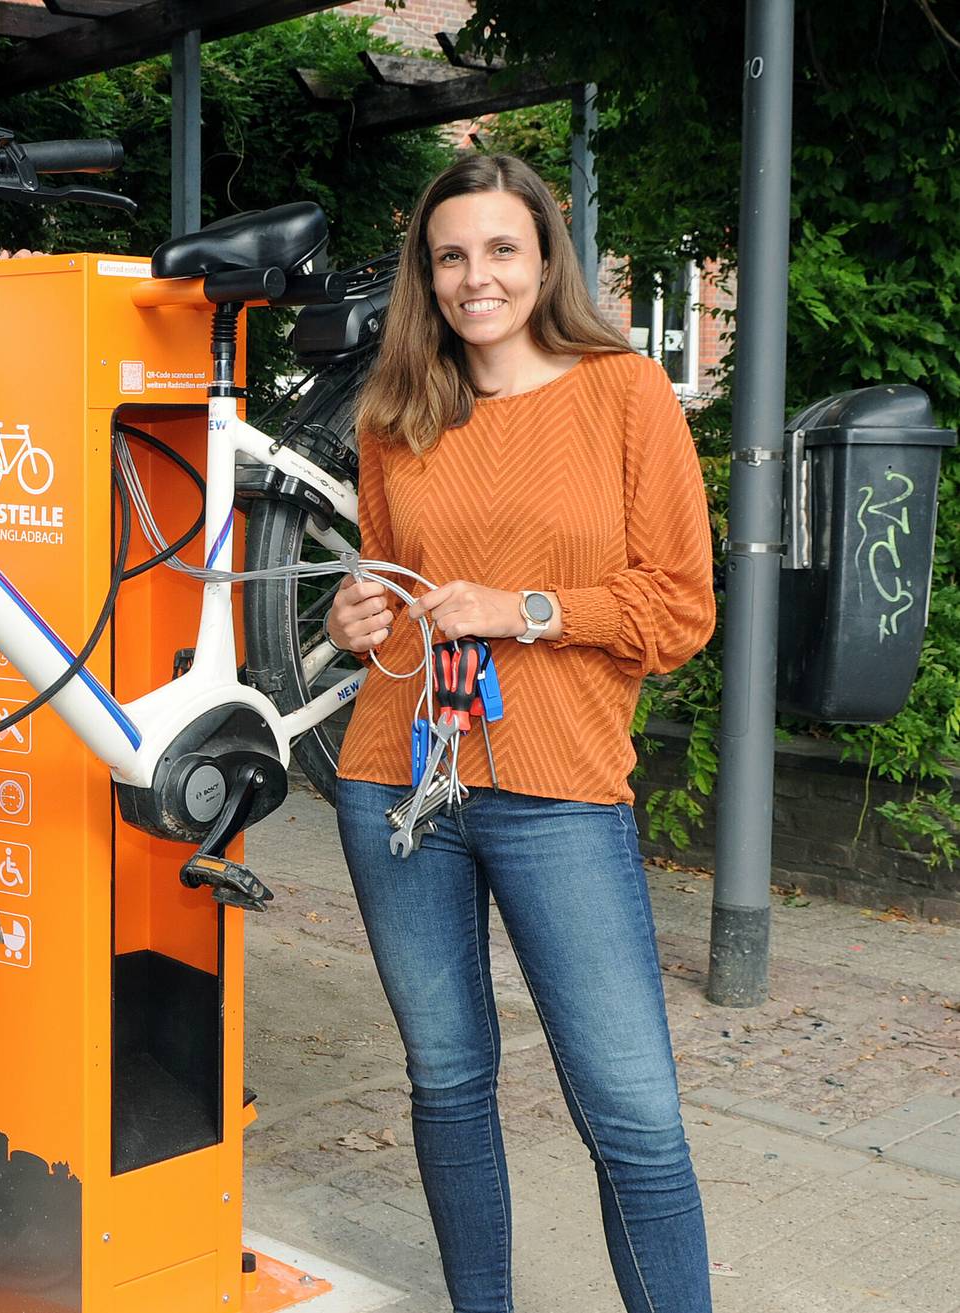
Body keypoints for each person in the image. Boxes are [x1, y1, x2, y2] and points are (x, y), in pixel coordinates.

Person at [323, 153, 716, 1313]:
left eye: (500, 249)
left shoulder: (626, 392)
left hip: (559, 786)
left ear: (546, 256)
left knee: (633, 1112)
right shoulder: (396, 415)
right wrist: (358, 616)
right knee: (447, 1080)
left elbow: (680, 606)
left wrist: (526, 610)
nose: (474, 276)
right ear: (425, 274)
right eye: (451, 255)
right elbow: (396, 599)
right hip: (398, 778)